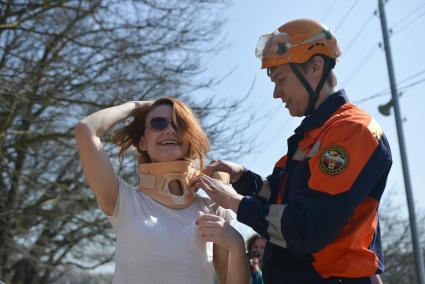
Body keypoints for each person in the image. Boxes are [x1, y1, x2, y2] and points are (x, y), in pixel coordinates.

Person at [191, 19, 392, 284]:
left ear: (315, 68)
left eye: (281, 79)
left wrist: (235, 203)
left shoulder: (352, 132)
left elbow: (305, 227)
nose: (276, 93)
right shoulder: (313, 135)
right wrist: (244, 179)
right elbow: (280, 195)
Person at [75, 97, 249, 284]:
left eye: (179, 124)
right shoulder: (123, 200)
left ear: (190, 139)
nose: (170, 130)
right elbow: (86, 129)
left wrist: (236, 245)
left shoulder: (214, 208)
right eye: (158, 123)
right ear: (142, 143)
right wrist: (137, 106)